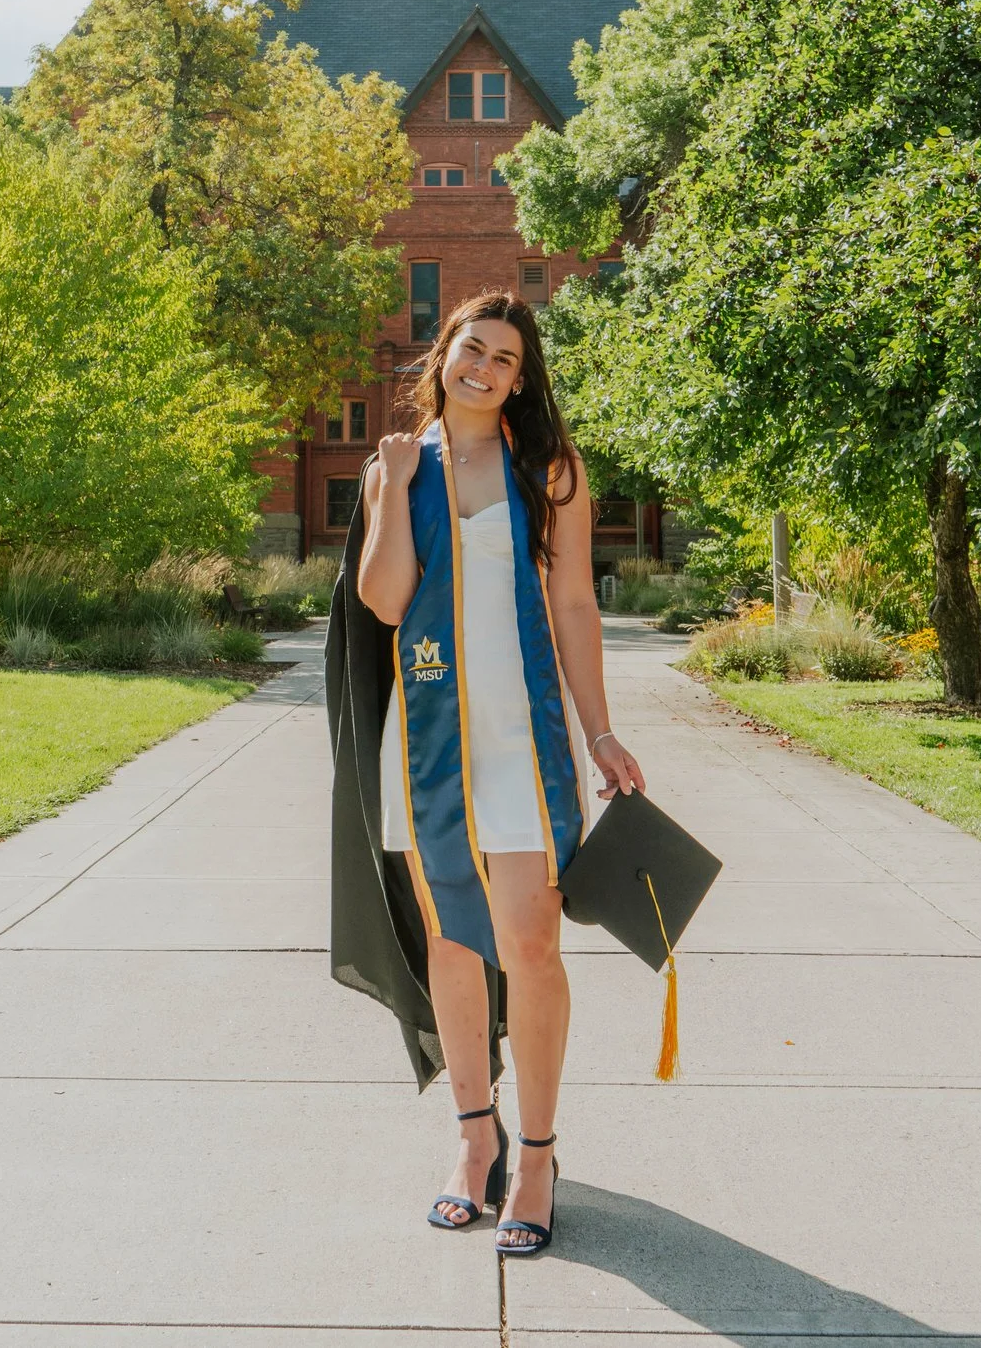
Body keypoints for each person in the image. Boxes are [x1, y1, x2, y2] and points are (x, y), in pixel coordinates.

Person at [323, 290, 645, 1259]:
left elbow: (577, 605)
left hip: (526, 742)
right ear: (444, 353)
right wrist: (383, 490)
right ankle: (475, 1142)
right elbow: (383, 603)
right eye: (473, 348)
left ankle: (536, 1156)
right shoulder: (401, 465)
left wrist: (599, 734)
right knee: (453, 946)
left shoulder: (548, 471)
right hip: (426, 744)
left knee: (532, 946)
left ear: (520, 375)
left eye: (506, 358)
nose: (485, 368)